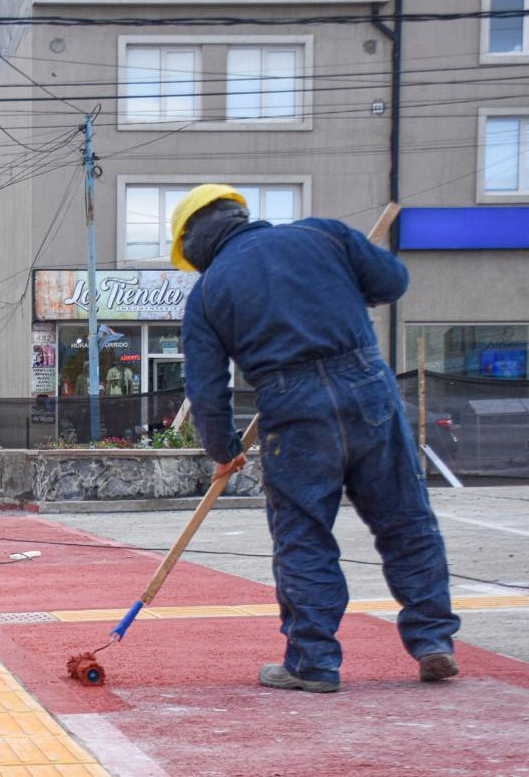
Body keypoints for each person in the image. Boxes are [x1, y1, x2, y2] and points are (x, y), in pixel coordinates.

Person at [171, 184, 460, 692]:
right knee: (406, 522)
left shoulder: (209, 293)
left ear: (192, 243)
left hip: (291, 406)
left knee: (303, 537)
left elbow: (207, 389)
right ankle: (433, 640)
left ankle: (313, 661)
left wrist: (225, 450)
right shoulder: (323, 234)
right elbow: (391, 281)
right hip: (366, 387)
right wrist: (350, 288)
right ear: (237, 214)